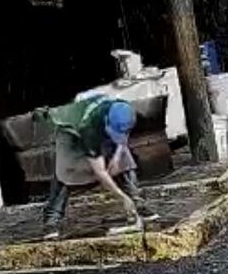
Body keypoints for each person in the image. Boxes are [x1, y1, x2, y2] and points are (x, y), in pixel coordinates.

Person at [36, 93, 156, 240]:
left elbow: (123, 134)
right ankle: (51, 219)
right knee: (66, 169)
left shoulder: (123, 109)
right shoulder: (89, 128)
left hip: (99, 124)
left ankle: (137, 203)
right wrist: (121, 197)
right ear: (105, 121)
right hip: (70, 128)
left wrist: (118, 156)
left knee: (126, 160)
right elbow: (99, 171)